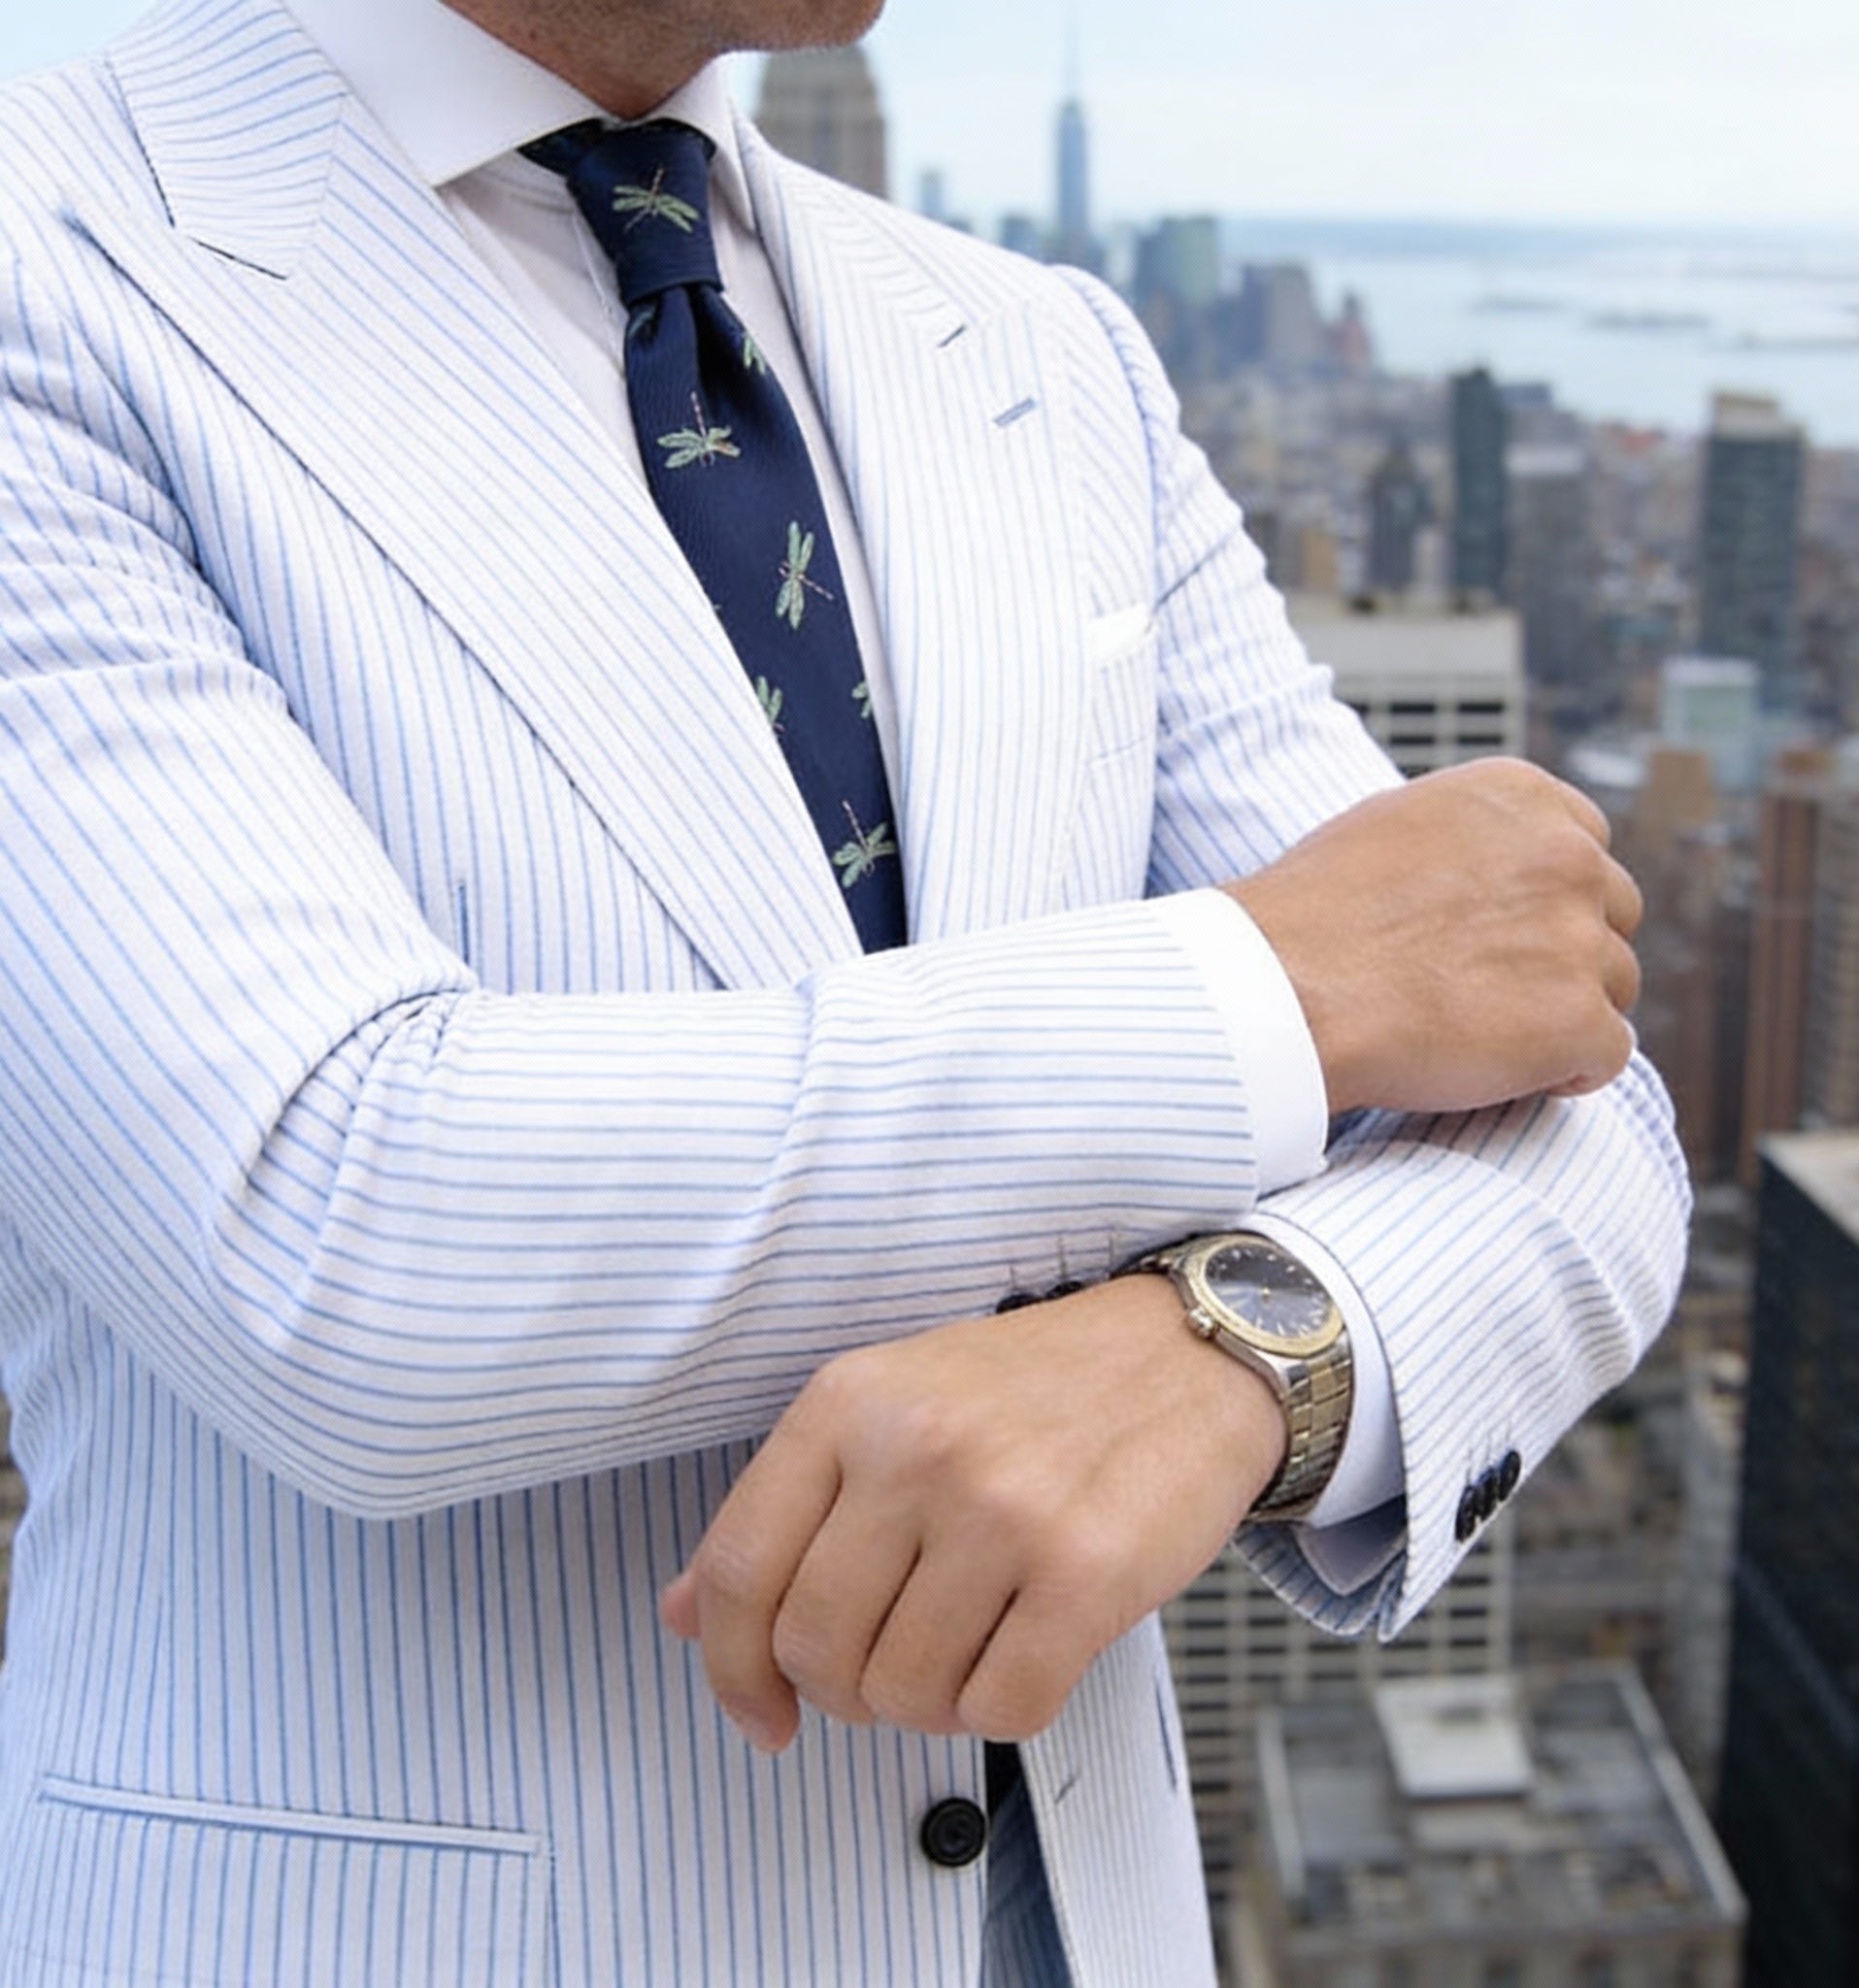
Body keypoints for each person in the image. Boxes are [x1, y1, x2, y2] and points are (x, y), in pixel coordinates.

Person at [0, 0, 1687, 1981]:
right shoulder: (61, 257)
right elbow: (333, 1225)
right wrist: (1282, 982)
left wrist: (1236, 1349)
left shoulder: (1049, 355)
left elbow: (1567, 1097)